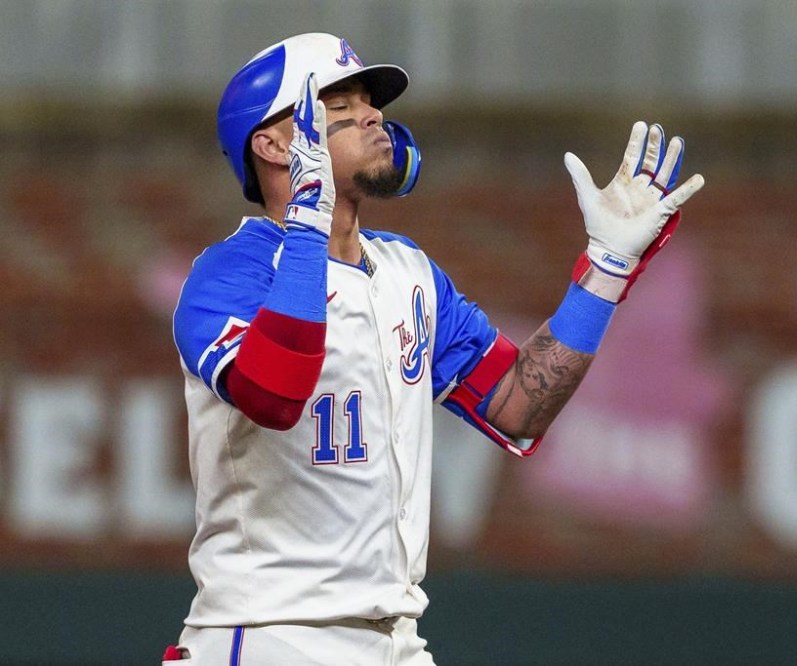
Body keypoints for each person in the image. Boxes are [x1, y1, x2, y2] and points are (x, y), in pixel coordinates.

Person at [164, 31, 704, 665]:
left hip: (399, 638)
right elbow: (274, 395)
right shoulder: (228, 273)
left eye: (371, 100)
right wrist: (310, 223)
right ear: (274, 143)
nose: (372, 115)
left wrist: (607, 270)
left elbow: (517, 409)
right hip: (270, 635)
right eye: (339, 104)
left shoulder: (408, 272)